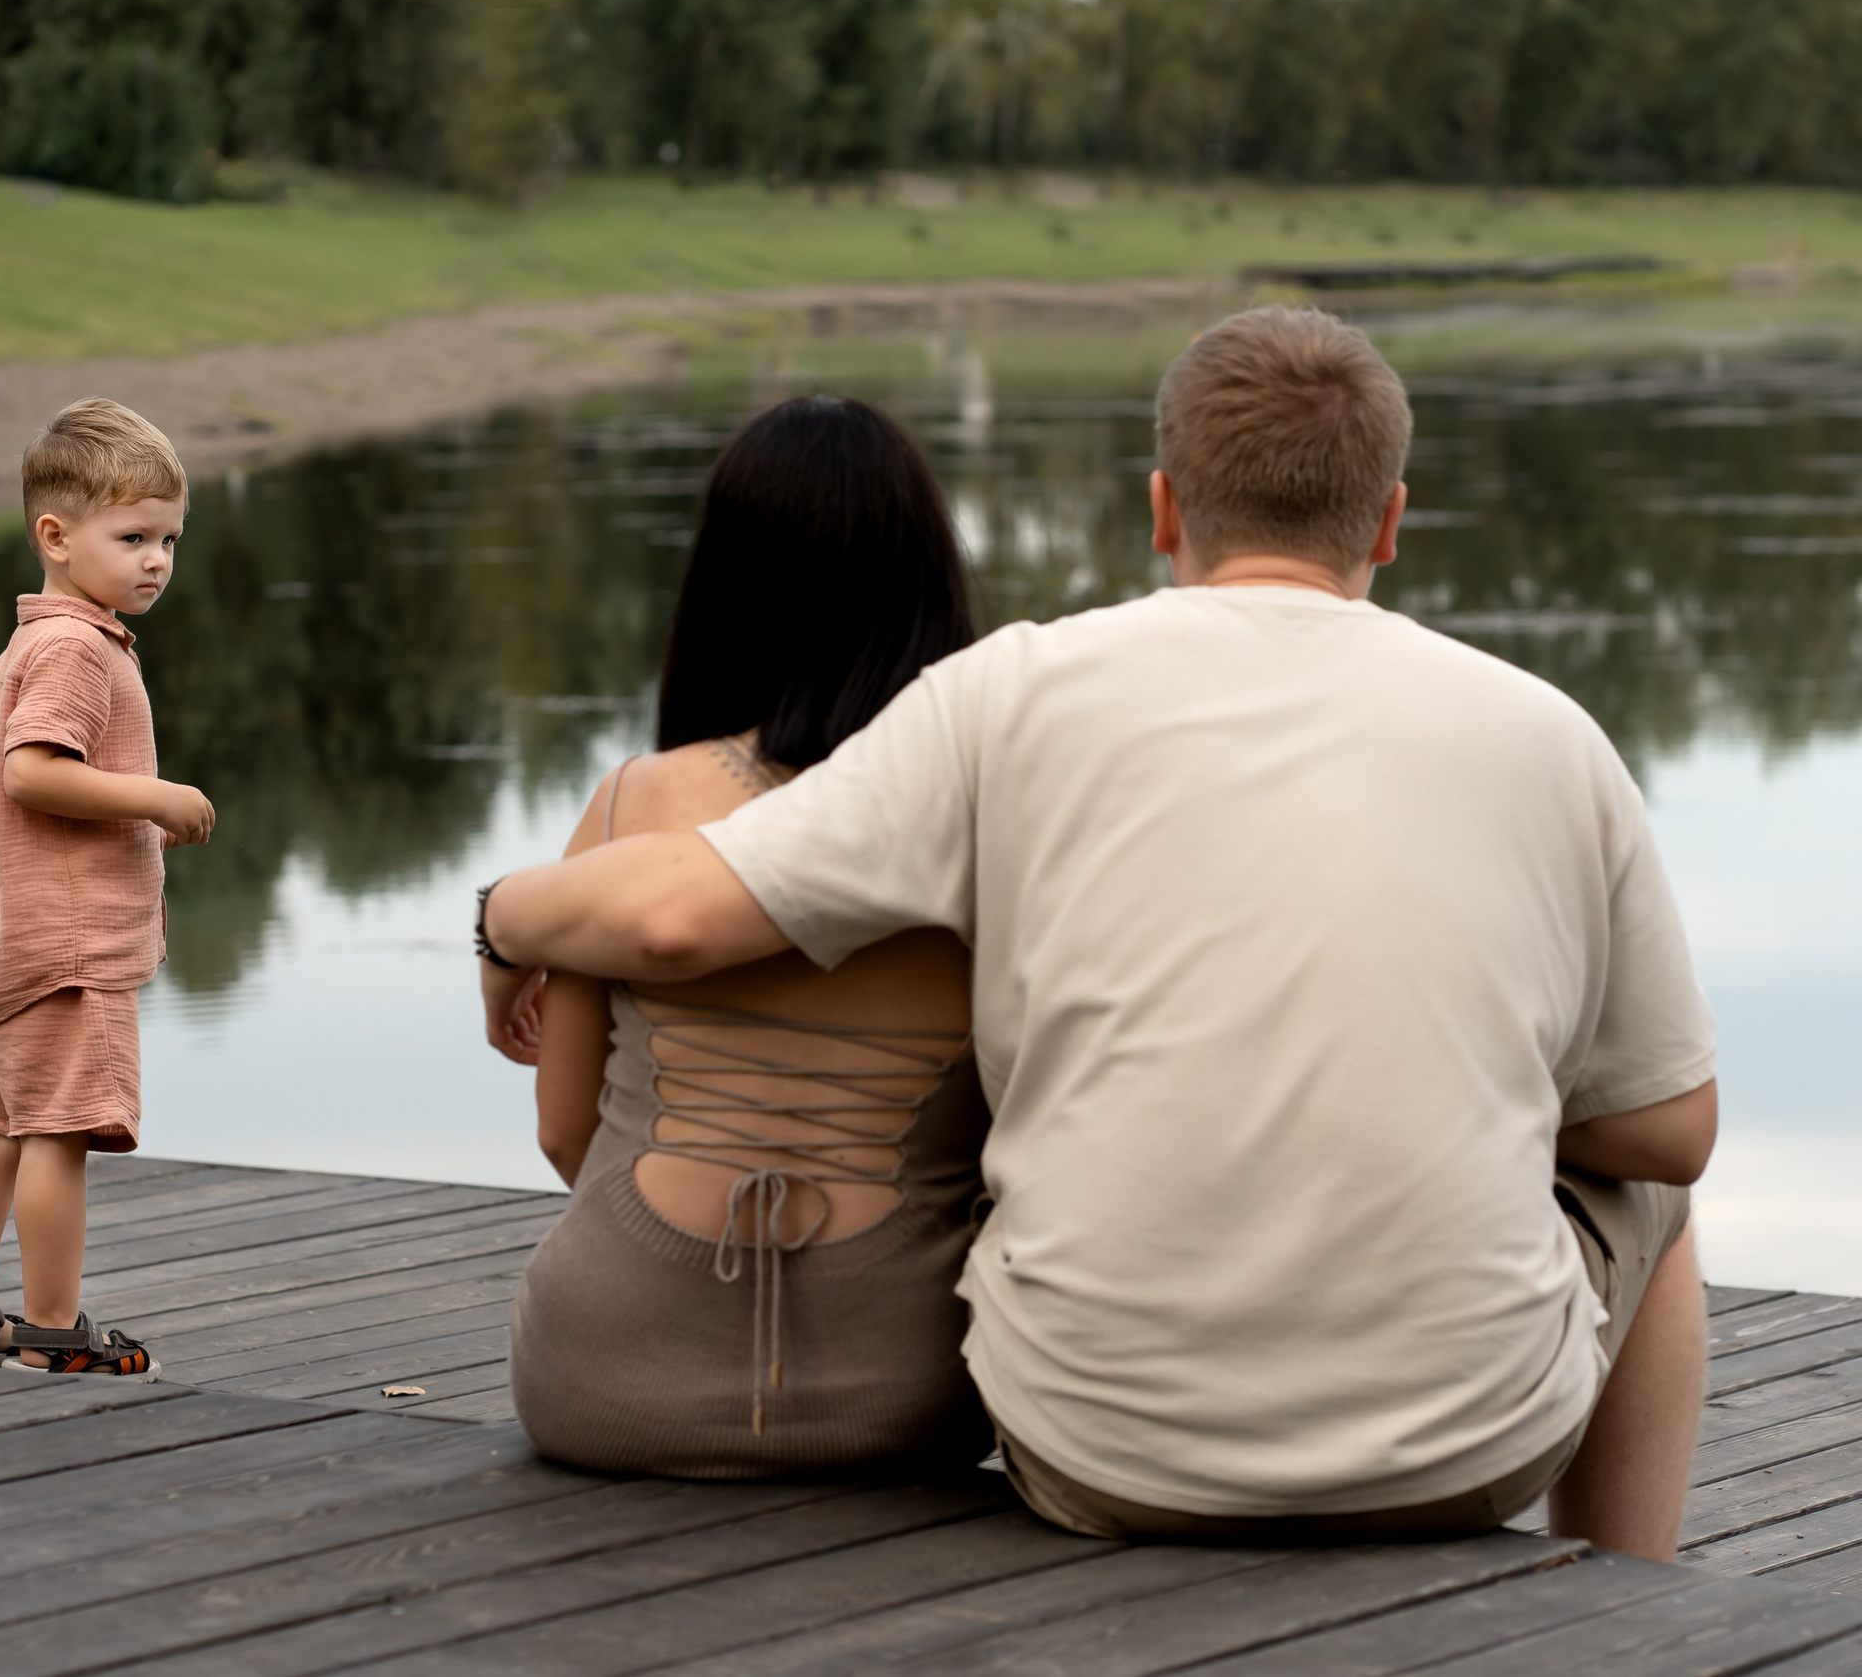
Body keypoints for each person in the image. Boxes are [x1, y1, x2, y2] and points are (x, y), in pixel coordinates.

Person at [477, 308, 1718, 1561]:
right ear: (1391, 520)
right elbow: (1675, 1131)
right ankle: (1623, 1598)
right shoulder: (1550, 735)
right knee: (1654, 1205)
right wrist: (1455, 1079)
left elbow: (676, 918)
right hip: (1467, 1452)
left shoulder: (1006, 692)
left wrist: (503, 915)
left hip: (1092, 1449)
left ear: (1164, 506)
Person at [499, 395, 993, 1479]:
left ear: (723, 580)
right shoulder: (992, 819)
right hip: (912, 1393)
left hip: (602, 1377)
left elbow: (564, 1130)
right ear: (925, 582)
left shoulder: (638, 801)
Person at [0, 397, 216, 1378]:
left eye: (168, 537)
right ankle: (51, 1332)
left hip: (6, 944)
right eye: (132, 537)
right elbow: (31, 772)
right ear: (55, 535)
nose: (156, 559)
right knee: (60, 1136)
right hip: (67, 954)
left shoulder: (34, 642)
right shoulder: (78, 649)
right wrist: (156, 798)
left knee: (0, 1128)